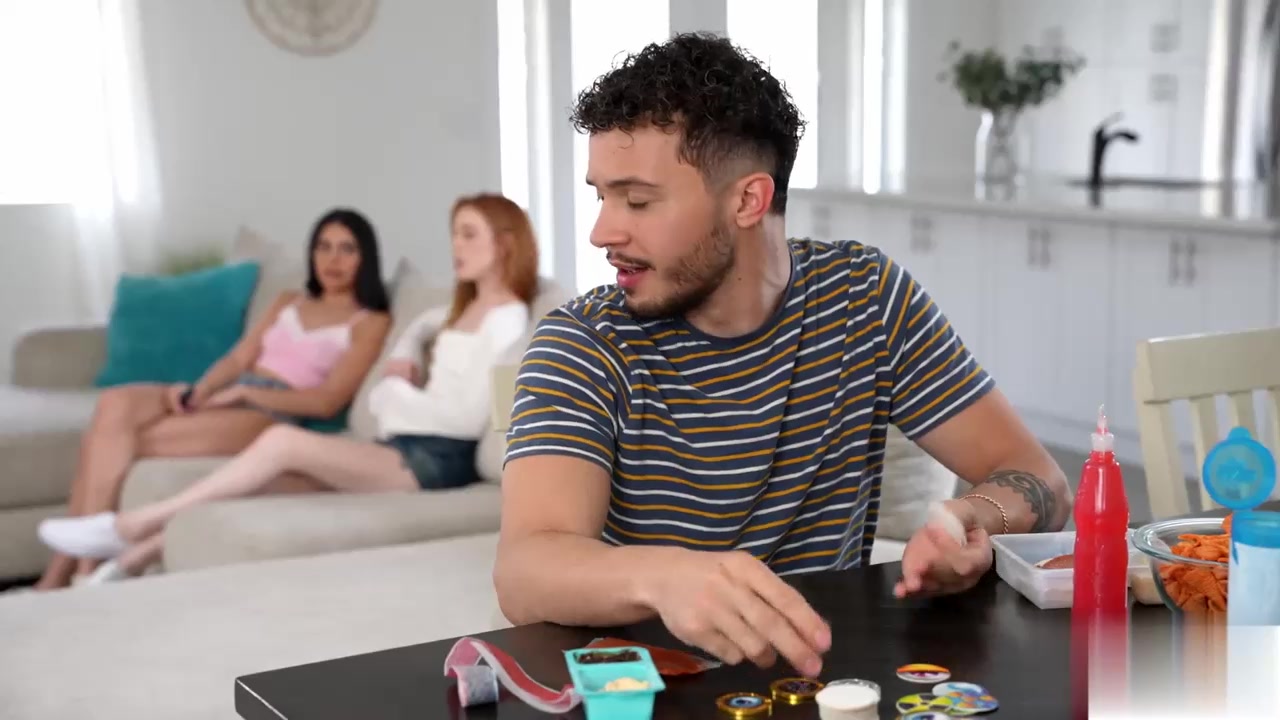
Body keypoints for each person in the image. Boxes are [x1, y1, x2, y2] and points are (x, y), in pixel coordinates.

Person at [492, 33, 1073, 679]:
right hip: (647, 689)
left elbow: (1041, 479)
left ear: (748, 200)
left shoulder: (865, 297)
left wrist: (974, 518)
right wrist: (667, 577)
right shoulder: (583, 343)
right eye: (601, 195)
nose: (602, 231)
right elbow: (525, 570)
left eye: (638, 200)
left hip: (827, 681)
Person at [37, 193, 540, 582]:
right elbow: (423, 327)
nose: (456, 247)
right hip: (403, 447)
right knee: (246, 485)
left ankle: (126, 527)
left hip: (434, 460)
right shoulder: (459, 310)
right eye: (455, 234)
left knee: (281, 442)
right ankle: (120, 566)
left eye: (469, 235)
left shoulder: (509, 320)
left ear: (504, 243)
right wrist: (406, 354)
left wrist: (395, 394)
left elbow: (466, 419)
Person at [32, 208, 393, 590]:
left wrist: (244, 392)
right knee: (113, 406)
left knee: (118, 440)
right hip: (232, 391)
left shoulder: (370, 321)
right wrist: (199, 392)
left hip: (272, 411)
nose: (333, 260)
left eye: (347, 249)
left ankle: (72, 574)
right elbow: (238, 359)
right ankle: (70, 574)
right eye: (324, 247)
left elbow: (326, 402)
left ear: (365, 258)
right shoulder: (289, 301)